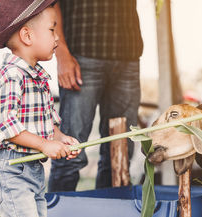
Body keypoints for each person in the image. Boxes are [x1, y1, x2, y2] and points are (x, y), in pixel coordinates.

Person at [0, 0, 81, 217]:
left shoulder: (37, 76)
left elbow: (46, 121)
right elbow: (1, 121)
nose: (58, 37)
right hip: (10, 172)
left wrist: (59, 138)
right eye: (52, 29)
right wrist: (43, 145)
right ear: (27, 35)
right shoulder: (12, 74)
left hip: (32, 171)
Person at [48, 1, 143, 191]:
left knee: (120, 151)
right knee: (68, 147)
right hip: (81, 55)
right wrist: (61, 53)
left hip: (128, 55)